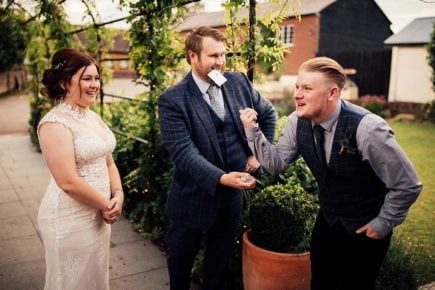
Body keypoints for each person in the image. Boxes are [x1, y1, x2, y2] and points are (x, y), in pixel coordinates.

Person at [240, 57, 422, 290]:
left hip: (365, 229)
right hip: (327, 222)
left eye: (307, 88)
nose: (297, 94)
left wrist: (383, 222)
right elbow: (276, 164)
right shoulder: (297, 122)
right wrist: (252, 130)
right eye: (297, 87)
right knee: (321, 282)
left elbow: (407, 185)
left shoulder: (369, 129)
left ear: (332, 93)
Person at [158, 26, 276, 290]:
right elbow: (183, 152)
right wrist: (222, 178)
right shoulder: (173, 99)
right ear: (192, 57)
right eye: (213, 56)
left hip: (231, 200)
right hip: (192, 197)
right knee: (180, 261)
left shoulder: (237, 82)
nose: (220, 63)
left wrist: (257, 153)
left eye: (223, 55)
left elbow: (268, 114)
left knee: (219, 261)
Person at [37, 48, 124, 290]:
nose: (95, 84)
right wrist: (106, 204)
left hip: (98, 215)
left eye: (96, 78)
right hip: (69, 218)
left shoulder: (92, 117)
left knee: (94, 279)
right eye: (87, 78)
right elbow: (67, 181)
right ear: (65, 83)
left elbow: (108, 161)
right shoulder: (55, 123)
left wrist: (118, 194)